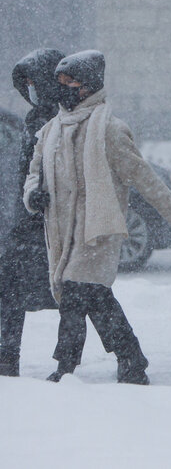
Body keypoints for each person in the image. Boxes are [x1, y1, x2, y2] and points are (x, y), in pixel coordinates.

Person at [23, 50, 171, 384]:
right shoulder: (51, 130)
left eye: (71, 81)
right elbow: (35, 173)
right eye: (60, 81)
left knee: (76, 295)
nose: (64, 88)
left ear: (89, 85)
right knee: (95, 298)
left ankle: (66, 367)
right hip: (62, 231)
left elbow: (143, 175)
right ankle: (132, 358)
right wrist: (33, 195)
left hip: (96, 231)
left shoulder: (110, 129)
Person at [0, 49, 63, 376]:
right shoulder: (35, 118)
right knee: (9, 289)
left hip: (50, 223)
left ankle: (125, 353)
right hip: (27, 223)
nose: (30, 88)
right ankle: (7, 358)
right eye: (25, 83)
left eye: (33, 81)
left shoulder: (62, 120)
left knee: (82, 295)